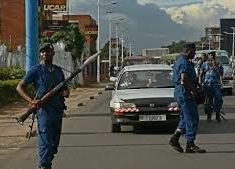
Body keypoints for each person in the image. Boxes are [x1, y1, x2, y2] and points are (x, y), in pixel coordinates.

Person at [16, 43, 70, 169]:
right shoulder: (36, 70)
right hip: (44, 111)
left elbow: (65, 88)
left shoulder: (58, 71)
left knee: (53, 144)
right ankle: (44, 166)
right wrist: (31, 101)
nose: (45, 54)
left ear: (53, 53)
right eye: (42, 52)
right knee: (45, 142)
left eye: (47, 51)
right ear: (40, 54)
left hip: (57, 111)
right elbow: (19, 87)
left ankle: (47, 164)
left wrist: (66, 92)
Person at [169, 43, 206, 153]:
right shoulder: (184, 62)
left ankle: (175, 138)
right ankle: (190, 144)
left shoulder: (181, 60)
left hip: (182, 93)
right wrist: (194, 90)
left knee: (185, 118)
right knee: (192, 118)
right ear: (189, 51)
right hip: (186, 93)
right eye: (194, 52)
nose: (194, 54)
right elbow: (184, 78)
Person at [199, 52, 224, 122]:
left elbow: (221, 73)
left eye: (213, 56)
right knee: (208, 101)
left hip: (216, 85)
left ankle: (217, 114)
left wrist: (216, 66)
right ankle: (209, 116)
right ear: (209, 56)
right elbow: (201, 74)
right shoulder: (205, 64)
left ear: (215, 56)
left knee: (219, 99)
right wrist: (200, 84)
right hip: (207, 85)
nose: (212, 57)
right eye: (211, 56)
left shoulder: (218, 63)